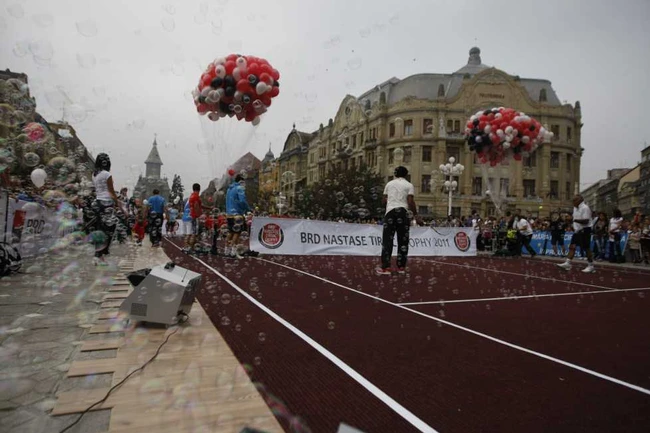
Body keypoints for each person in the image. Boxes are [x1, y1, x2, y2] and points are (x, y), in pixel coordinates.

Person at [376, 166, 421, 275]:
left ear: (395, 174)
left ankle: (386, 267)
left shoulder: (389, 184)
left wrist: (390, 203)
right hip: (403, 212)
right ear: (406, 174)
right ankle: (401, 267)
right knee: (403, 241)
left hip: (390, 212)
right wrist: (416, 215)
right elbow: (410, 201)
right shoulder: (409, 185)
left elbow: (383, 201)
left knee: (387, 240)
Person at [90, 153, 126, 265]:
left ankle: (98, 256)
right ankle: (100, 254)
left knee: (101, 229)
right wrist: (118, 204)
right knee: (109, 229)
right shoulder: (107, 174)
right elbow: (111, 191)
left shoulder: (94, 174)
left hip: (98, 202)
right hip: (107, 203)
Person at [557, 195, 595, 273]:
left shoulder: (585, 208)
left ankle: (591, 265)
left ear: (580, 200)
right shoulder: (575, 208)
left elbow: (586, 221)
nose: (573, 202)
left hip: (585, 230)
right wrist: (569, 221)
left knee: (586, 248)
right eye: (573, 200)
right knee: (572, 246)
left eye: (574, 200)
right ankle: (568, 263)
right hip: (577, 230)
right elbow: (574, 219)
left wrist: (573, 219)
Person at [224, 175, 251, 258]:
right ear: (241, 181)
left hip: (229, 213)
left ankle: (226, 250)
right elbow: (242, 200)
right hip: (237, 214)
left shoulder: (229, 189)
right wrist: (248, 209)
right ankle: (233, 251)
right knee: (237, 232)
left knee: (230, 232)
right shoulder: (239, 188)